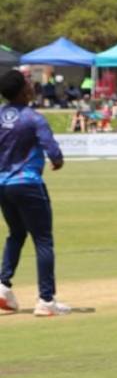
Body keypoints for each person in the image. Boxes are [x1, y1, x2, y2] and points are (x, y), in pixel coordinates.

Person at [0, 70, 70, 316]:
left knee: (16, 234)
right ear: (22, 91)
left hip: (3, 185)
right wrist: (58, 161)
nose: (32, 86)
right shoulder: (33, 118)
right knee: (43, 240)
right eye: (28, 83)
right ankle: (46, 301)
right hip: (28, 183)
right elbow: (53, 150)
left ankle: (3, 288)